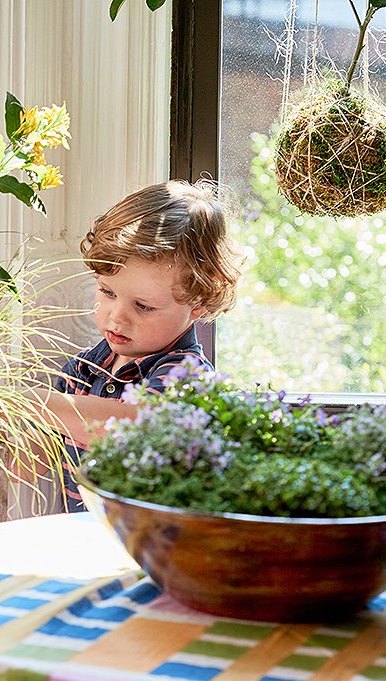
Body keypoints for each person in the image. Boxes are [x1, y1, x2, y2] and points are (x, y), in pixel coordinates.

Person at [31, 179, 242, 511]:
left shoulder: (188, 376)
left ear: (198, 303)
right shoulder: (82, 371)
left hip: (157, 548)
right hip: (84, 544)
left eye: (143, 306)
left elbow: (139, 427)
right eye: (107, 292)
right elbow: (32, 463)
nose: (117, 317)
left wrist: (36, 404)